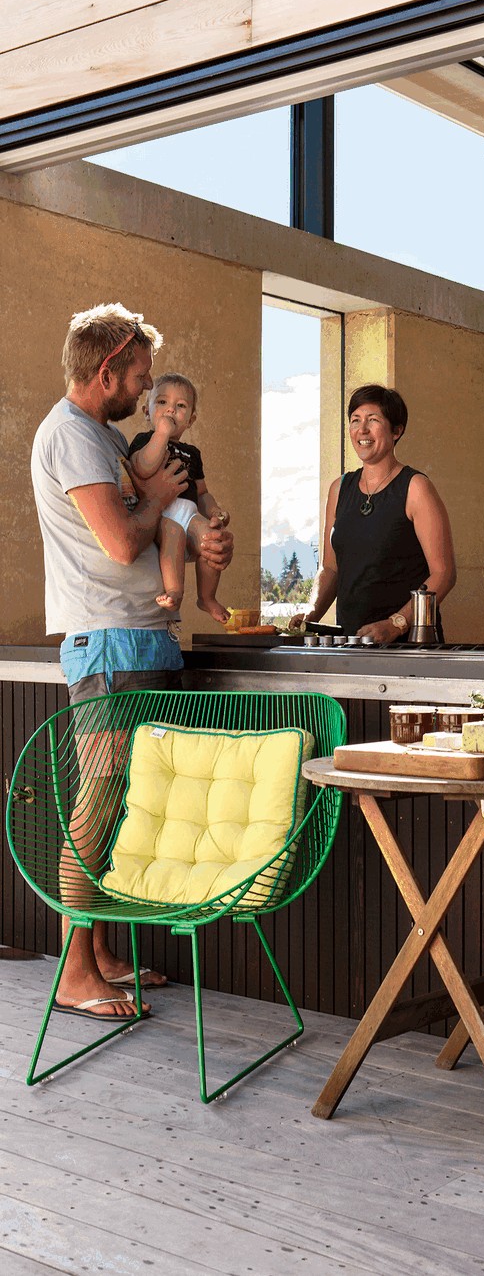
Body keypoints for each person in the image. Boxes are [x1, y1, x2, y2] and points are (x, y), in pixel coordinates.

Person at [30, 303, 234, 1022]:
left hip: (139, 636)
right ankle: (74, 970)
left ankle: (103, 953)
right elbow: (122, 542)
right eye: (142, 377)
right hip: (109, 642)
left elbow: (147, 528)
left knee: (120, 805)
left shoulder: (104, 438)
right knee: (98, 801)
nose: (147, 393)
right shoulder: (73, 436)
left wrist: (193, 535)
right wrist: (160, 502)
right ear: (108, 368)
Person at [290, 383, 456, 643]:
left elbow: (443, 574)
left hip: (408, 644)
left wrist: (395, 624)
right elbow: (331, 568)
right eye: (355, 420)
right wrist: (311, 613)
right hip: (351, 643)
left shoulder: (416, 488)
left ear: (397, 431)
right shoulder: (339, 488)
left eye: (373, 420)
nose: (362, 430)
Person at [128, 372, 230, 623]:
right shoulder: (144, 440)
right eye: (161, 403)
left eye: (180, 406)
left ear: (191, 419)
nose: (170, 410)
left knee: (212, 539)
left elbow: (202, 492)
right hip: (161, 512)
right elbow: (142, 467)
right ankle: (175, 592)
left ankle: (207, 597)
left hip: (189, 510)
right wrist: (160, 435)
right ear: (146, 411)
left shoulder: (192, 453)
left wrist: (215, 511)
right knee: (173, 533)